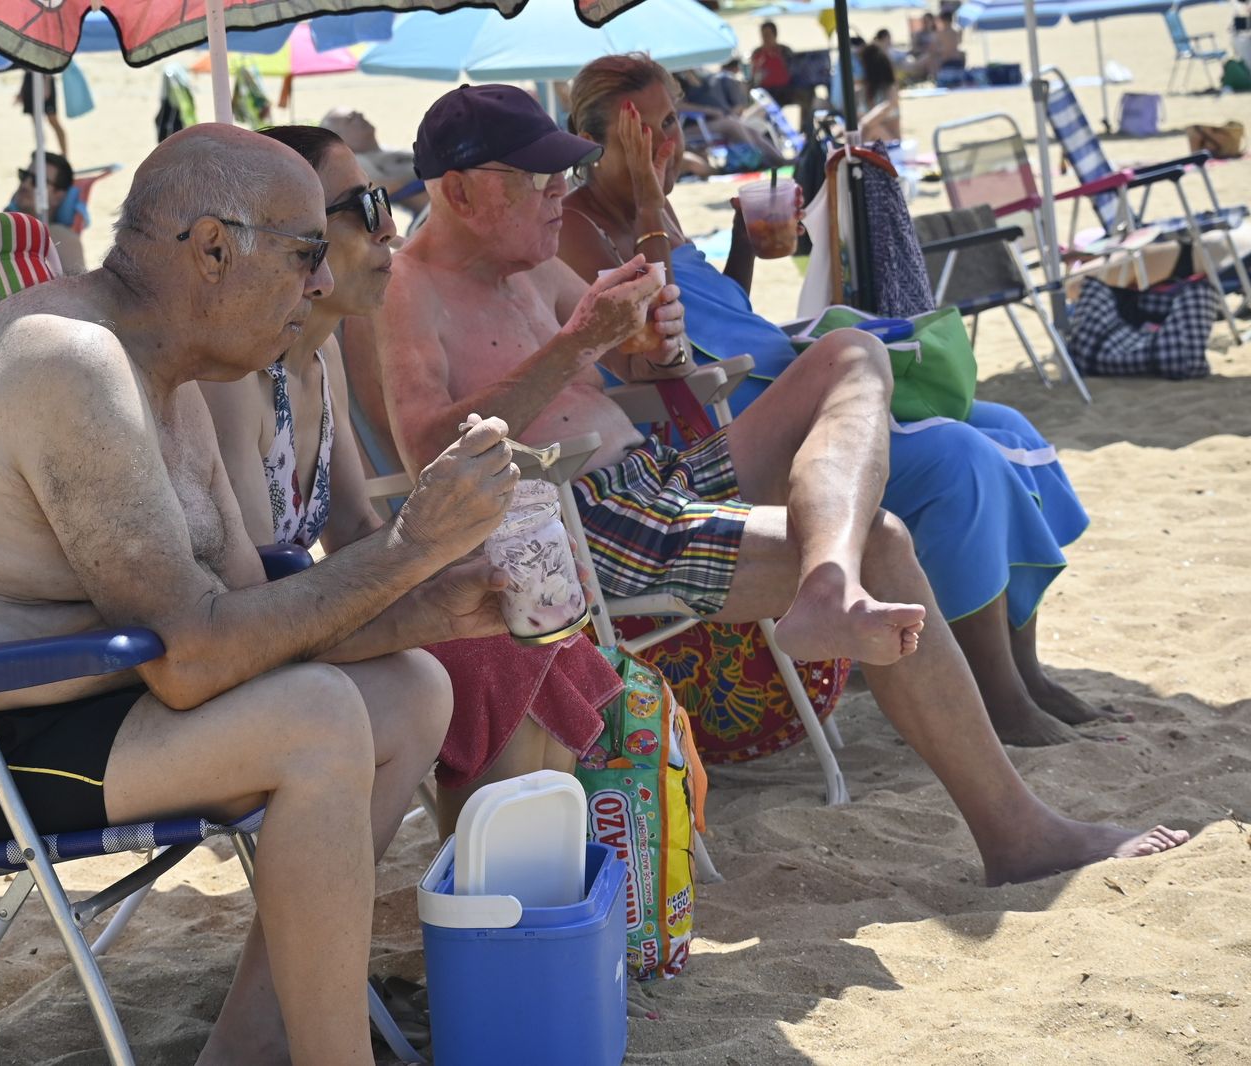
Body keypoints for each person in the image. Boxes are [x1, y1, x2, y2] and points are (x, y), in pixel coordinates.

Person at [373, 82, 1188, 886]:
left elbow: (622, 368)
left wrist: (657, 353)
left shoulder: (531, 266)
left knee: (849, 355)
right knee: (887, 543)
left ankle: (826, 577)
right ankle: (1014, 829)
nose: (561, 197)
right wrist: (581, 343)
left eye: (561, 178)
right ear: (460, 192)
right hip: (576, 522)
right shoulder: (409, 291)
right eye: (540, 183)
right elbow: (429, 453)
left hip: (657, 475)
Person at [0, 123, 522, 1066]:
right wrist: (410, 545)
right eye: (305, 253)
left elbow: (251, 618)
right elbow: (200, 657)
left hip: (76, 702)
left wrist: (422, 605)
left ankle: (253, 1039)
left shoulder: (166, 377)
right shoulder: (68, 363)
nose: (320, 285)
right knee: (316, 719)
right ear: (211, 249)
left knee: (412, 689)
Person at [557, 53, 1118, 746]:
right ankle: (998, 694)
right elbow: (656, 349)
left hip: (783, 392)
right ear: (598, 143)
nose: (672, 143)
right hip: (726, 433)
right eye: (651, 131)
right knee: (958, 458)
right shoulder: (578, 230)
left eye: (674, 120)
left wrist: (738, 248)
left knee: (1007, 424)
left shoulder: (659, 211)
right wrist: (648, 200)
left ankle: (1024, 671)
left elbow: (725, 318)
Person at [200, 125, 623, 838]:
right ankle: (492, 905)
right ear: (291, 231)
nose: (390, 227)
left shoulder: (317, 360)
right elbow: (251, 606)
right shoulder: (231, 382)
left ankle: (529, 900)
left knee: (525, 635)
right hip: (243, 653)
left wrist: (457, 561)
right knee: (491, 659)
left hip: (304, 629)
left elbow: (360, 534)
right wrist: (427, 578)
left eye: (382, 199)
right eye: (363, 208)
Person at [320, 107, 428, 215]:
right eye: (351, 118)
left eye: (358, 113)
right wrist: (430, 168)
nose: (361, 115)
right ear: (339, 138)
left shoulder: (382, 150)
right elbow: (384, 186)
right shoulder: (357, 162)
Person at [6, 151, 87, 273]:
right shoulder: (1, 225)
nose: (25, 184)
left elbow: (78, 290)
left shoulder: (61, 238)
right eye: (24, 175)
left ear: (58, 195)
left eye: (37, 181)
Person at [749, 21, 812, 132]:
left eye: (768, 35)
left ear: (775, 35)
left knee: (807, 95)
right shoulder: (757, 53)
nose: (765, 38)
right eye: (763, 35)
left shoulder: (784, 51)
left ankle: (805, 129)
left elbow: (796, 71)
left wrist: (780, 59)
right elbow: (753, 77)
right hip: (766, 91)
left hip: (786, 89)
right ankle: (769, 131)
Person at [18, 71, 69, 158]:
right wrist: (21, 90)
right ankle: (42, 154)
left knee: (53, 121)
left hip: (44, 78)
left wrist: (47, 83)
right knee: (37, 124)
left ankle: (64, 155)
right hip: (30, 80)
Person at [858, 41, 902, 141]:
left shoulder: (890, 89)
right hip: (871, 144)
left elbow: (885, 108)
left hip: (892, 144)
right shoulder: (864, 90)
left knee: (872, 129)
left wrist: (863, 123)